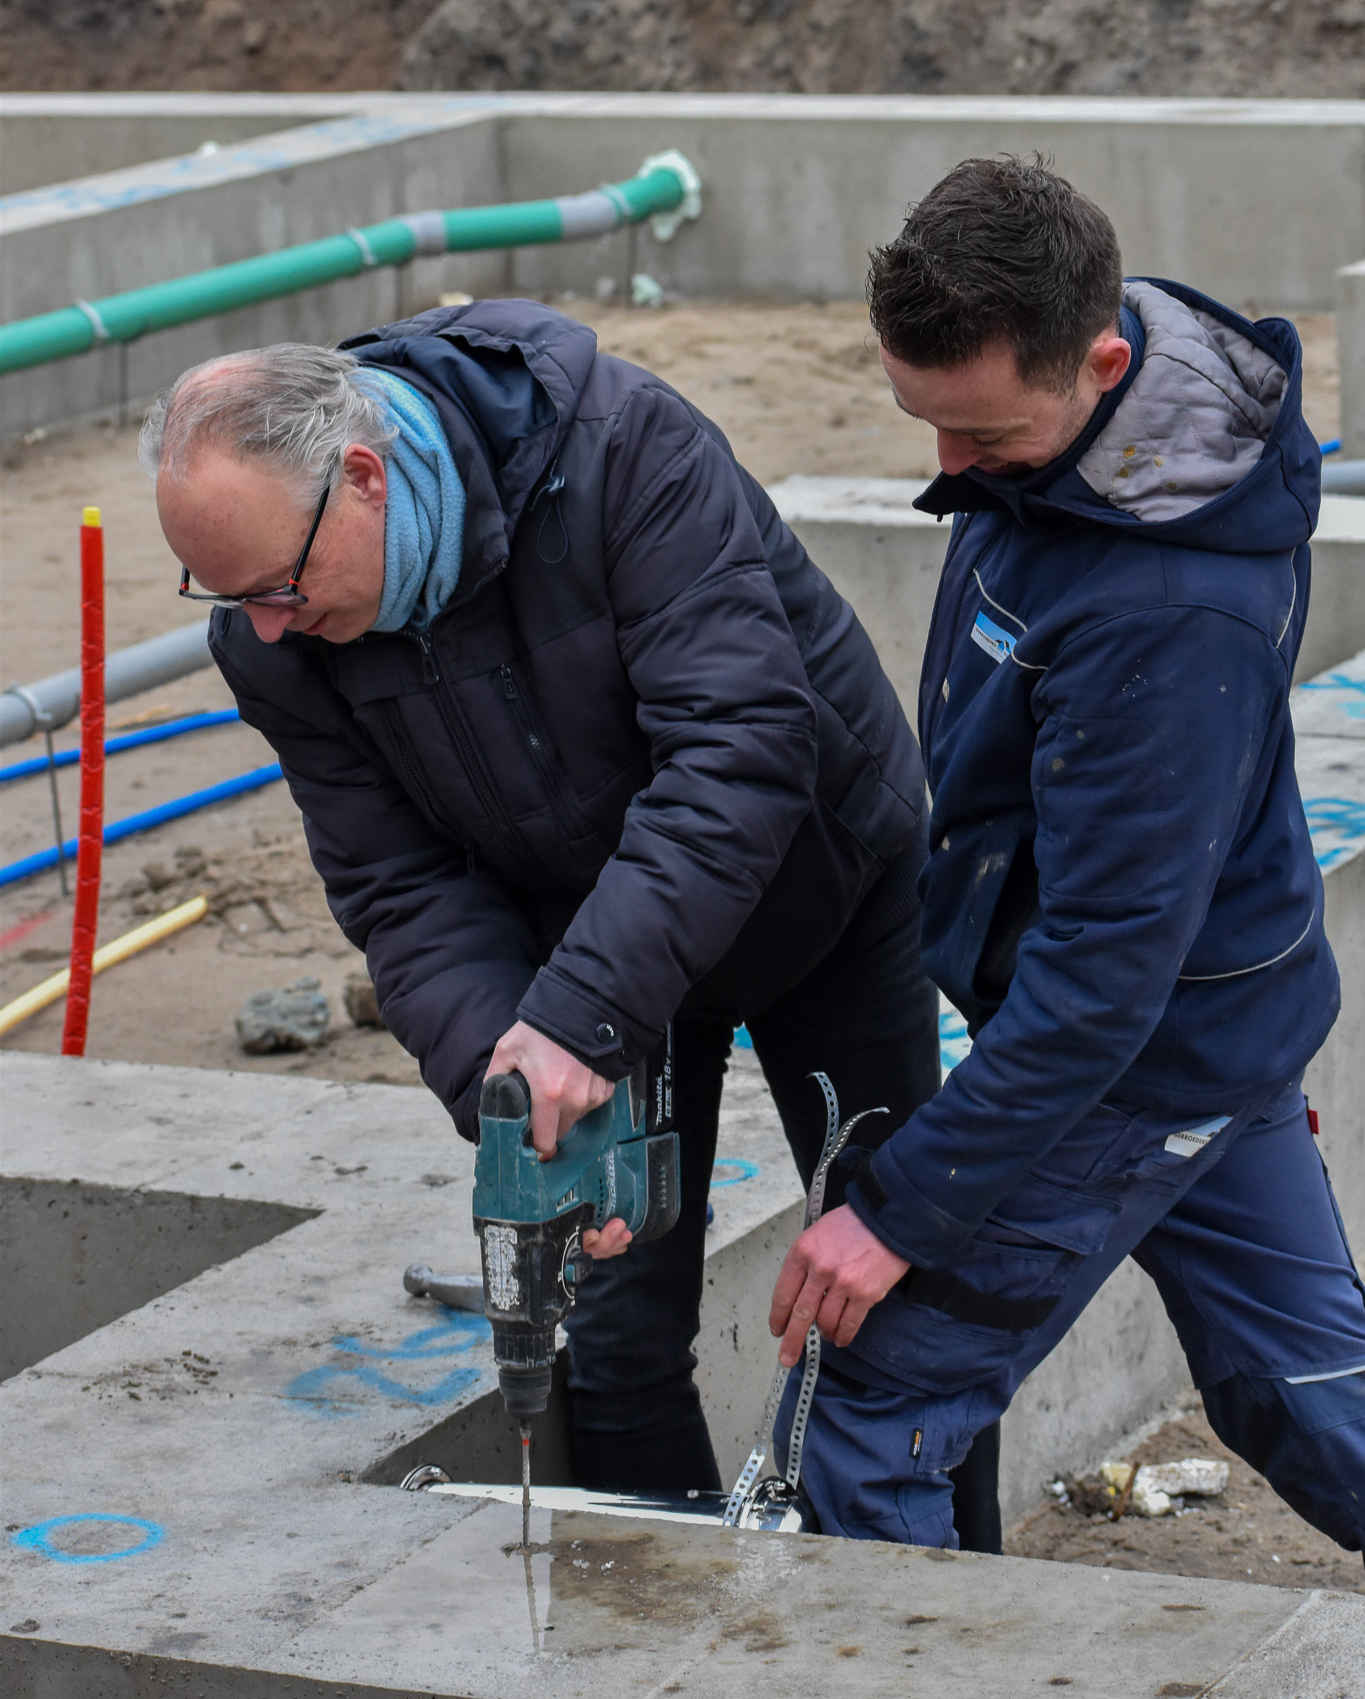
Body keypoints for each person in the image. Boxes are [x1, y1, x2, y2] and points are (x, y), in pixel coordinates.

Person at [140, 300, 1000, 1541]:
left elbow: (740, 753)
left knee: (895, 1300)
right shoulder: (276, 638)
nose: (265, 623)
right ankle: (673, 1621)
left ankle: (948, 1605)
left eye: (279, 583)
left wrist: (578, 1017)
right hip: (585, 938)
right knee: (616, 1337)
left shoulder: (619, 450)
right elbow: (400, 885)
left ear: (366, 478)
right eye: (227, 596)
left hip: (816, 884)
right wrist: (512, 1085)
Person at [766, 154, 1365, 1552]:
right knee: (1311, 1397)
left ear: (1102, 361)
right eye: (924, 418)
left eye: (981, 434)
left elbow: (1102, 975)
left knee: (868, 1402)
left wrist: (896, 1213)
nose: (947, 468)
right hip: (1221, 1011)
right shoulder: (1089, 422)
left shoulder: (1168, 610)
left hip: (1136, 1053)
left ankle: (892, 1650)